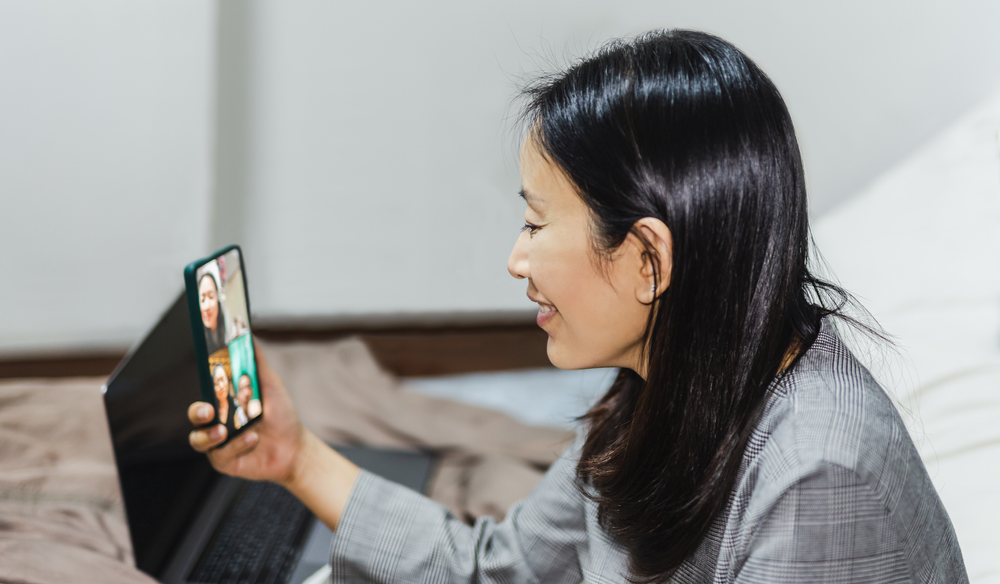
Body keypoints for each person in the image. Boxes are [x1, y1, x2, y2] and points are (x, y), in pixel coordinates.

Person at [187, 30, 968, 582]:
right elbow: (502, 570)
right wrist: (294, 457)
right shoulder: (661, 384)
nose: (516, 258)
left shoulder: (818, 476)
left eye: (534, 221)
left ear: (647, 259)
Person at [198, 272, 227, 355]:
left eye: (211, 296)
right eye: (202, 299)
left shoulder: (227, 330)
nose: (206, 306)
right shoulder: (200, 342)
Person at [211, 362, 232, 429]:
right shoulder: (212, 410)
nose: (221, 386)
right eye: (216, 383)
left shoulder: (236, 405)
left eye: (223, 379)